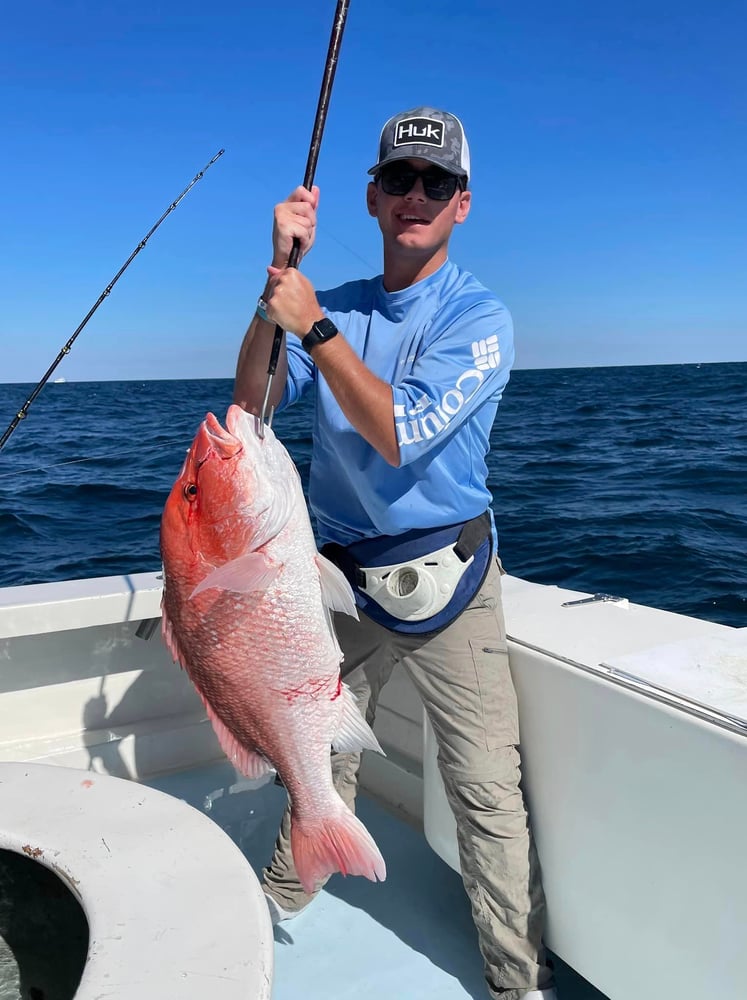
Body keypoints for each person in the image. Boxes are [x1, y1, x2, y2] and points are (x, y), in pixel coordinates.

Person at [233, 106, 557, 1000]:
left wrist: (316, 330)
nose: (416, 196)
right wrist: (279, 289)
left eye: (436, 183)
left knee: (486, 790)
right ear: (372, 198)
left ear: (461, 205)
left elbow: (401, 431)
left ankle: (515, 980)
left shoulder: (480, 318)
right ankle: (270, 909)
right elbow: (250, 399)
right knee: (318, 759)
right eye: (400, 180)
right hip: (337, 578)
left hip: (451, 576)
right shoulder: (324, 302)